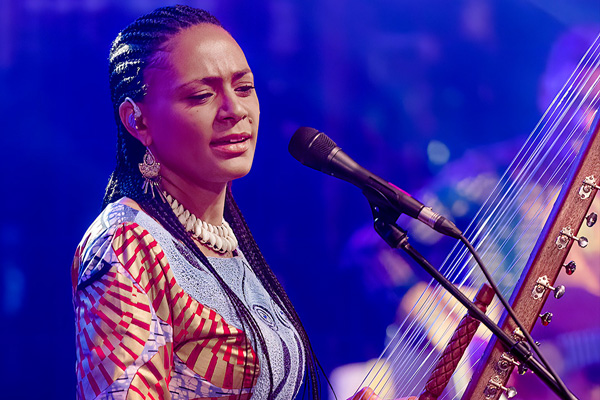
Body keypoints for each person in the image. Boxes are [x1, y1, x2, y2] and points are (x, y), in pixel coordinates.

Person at [71, 5, 399, 400]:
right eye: (201, 95)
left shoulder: (224, 235)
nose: (235, 110)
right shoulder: (125, 244)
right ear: (137, 121)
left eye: (244, 88)